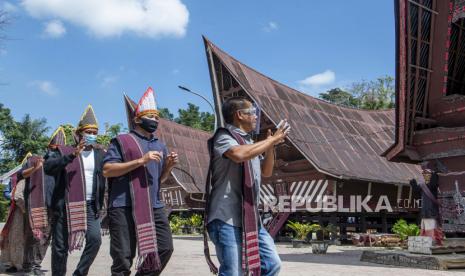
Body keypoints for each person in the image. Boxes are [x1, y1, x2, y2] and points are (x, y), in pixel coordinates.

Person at [204, 96, 290, 276]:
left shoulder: (250, 143)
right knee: (233, 273)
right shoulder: (224, 136)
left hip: (250, 219)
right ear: (239, 115)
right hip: (226, 217)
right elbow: (238, 155)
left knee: (272, 264)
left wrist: (270, 147)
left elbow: (266, 172)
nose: (256, 117)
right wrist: (270, 141)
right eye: (252, 113)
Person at [103, 87, 178, 275]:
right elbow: (107, 170)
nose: (155, 120)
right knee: (123, 258)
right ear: (137, 119)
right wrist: (140, 161)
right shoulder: (121, 140)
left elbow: (160, 180)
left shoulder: (159, 145)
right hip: (123, 204)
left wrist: (168, 166)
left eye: (156, 117)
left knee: (165, 247)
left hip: (154, 204)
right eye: (150, 116)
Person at [44, 105, 106, 276]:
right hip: (64, 206)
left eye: (95, 132)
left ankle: (79, 273)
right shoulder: (63, 151)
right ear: (79, 133)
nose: (92, 135)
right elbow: (48, 168)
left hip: (91, 205)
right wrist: (71, 156)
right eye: (88, 131)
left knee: (95, 240)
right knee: (60, 247)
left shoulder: (101, 154)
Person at [17, 127, 68, 275]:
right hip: (36, 205)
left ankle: (36, 266)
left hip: (54, 206)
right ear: (49, 146)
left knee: (45, 238)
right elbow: (21, 174)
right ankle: (28, 267)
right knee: (33, 237)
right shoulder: (35, 159)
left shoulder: (62, 164)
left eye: (61, 148)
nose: (58, 150)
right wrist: (35, 168)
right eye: (55, 147)